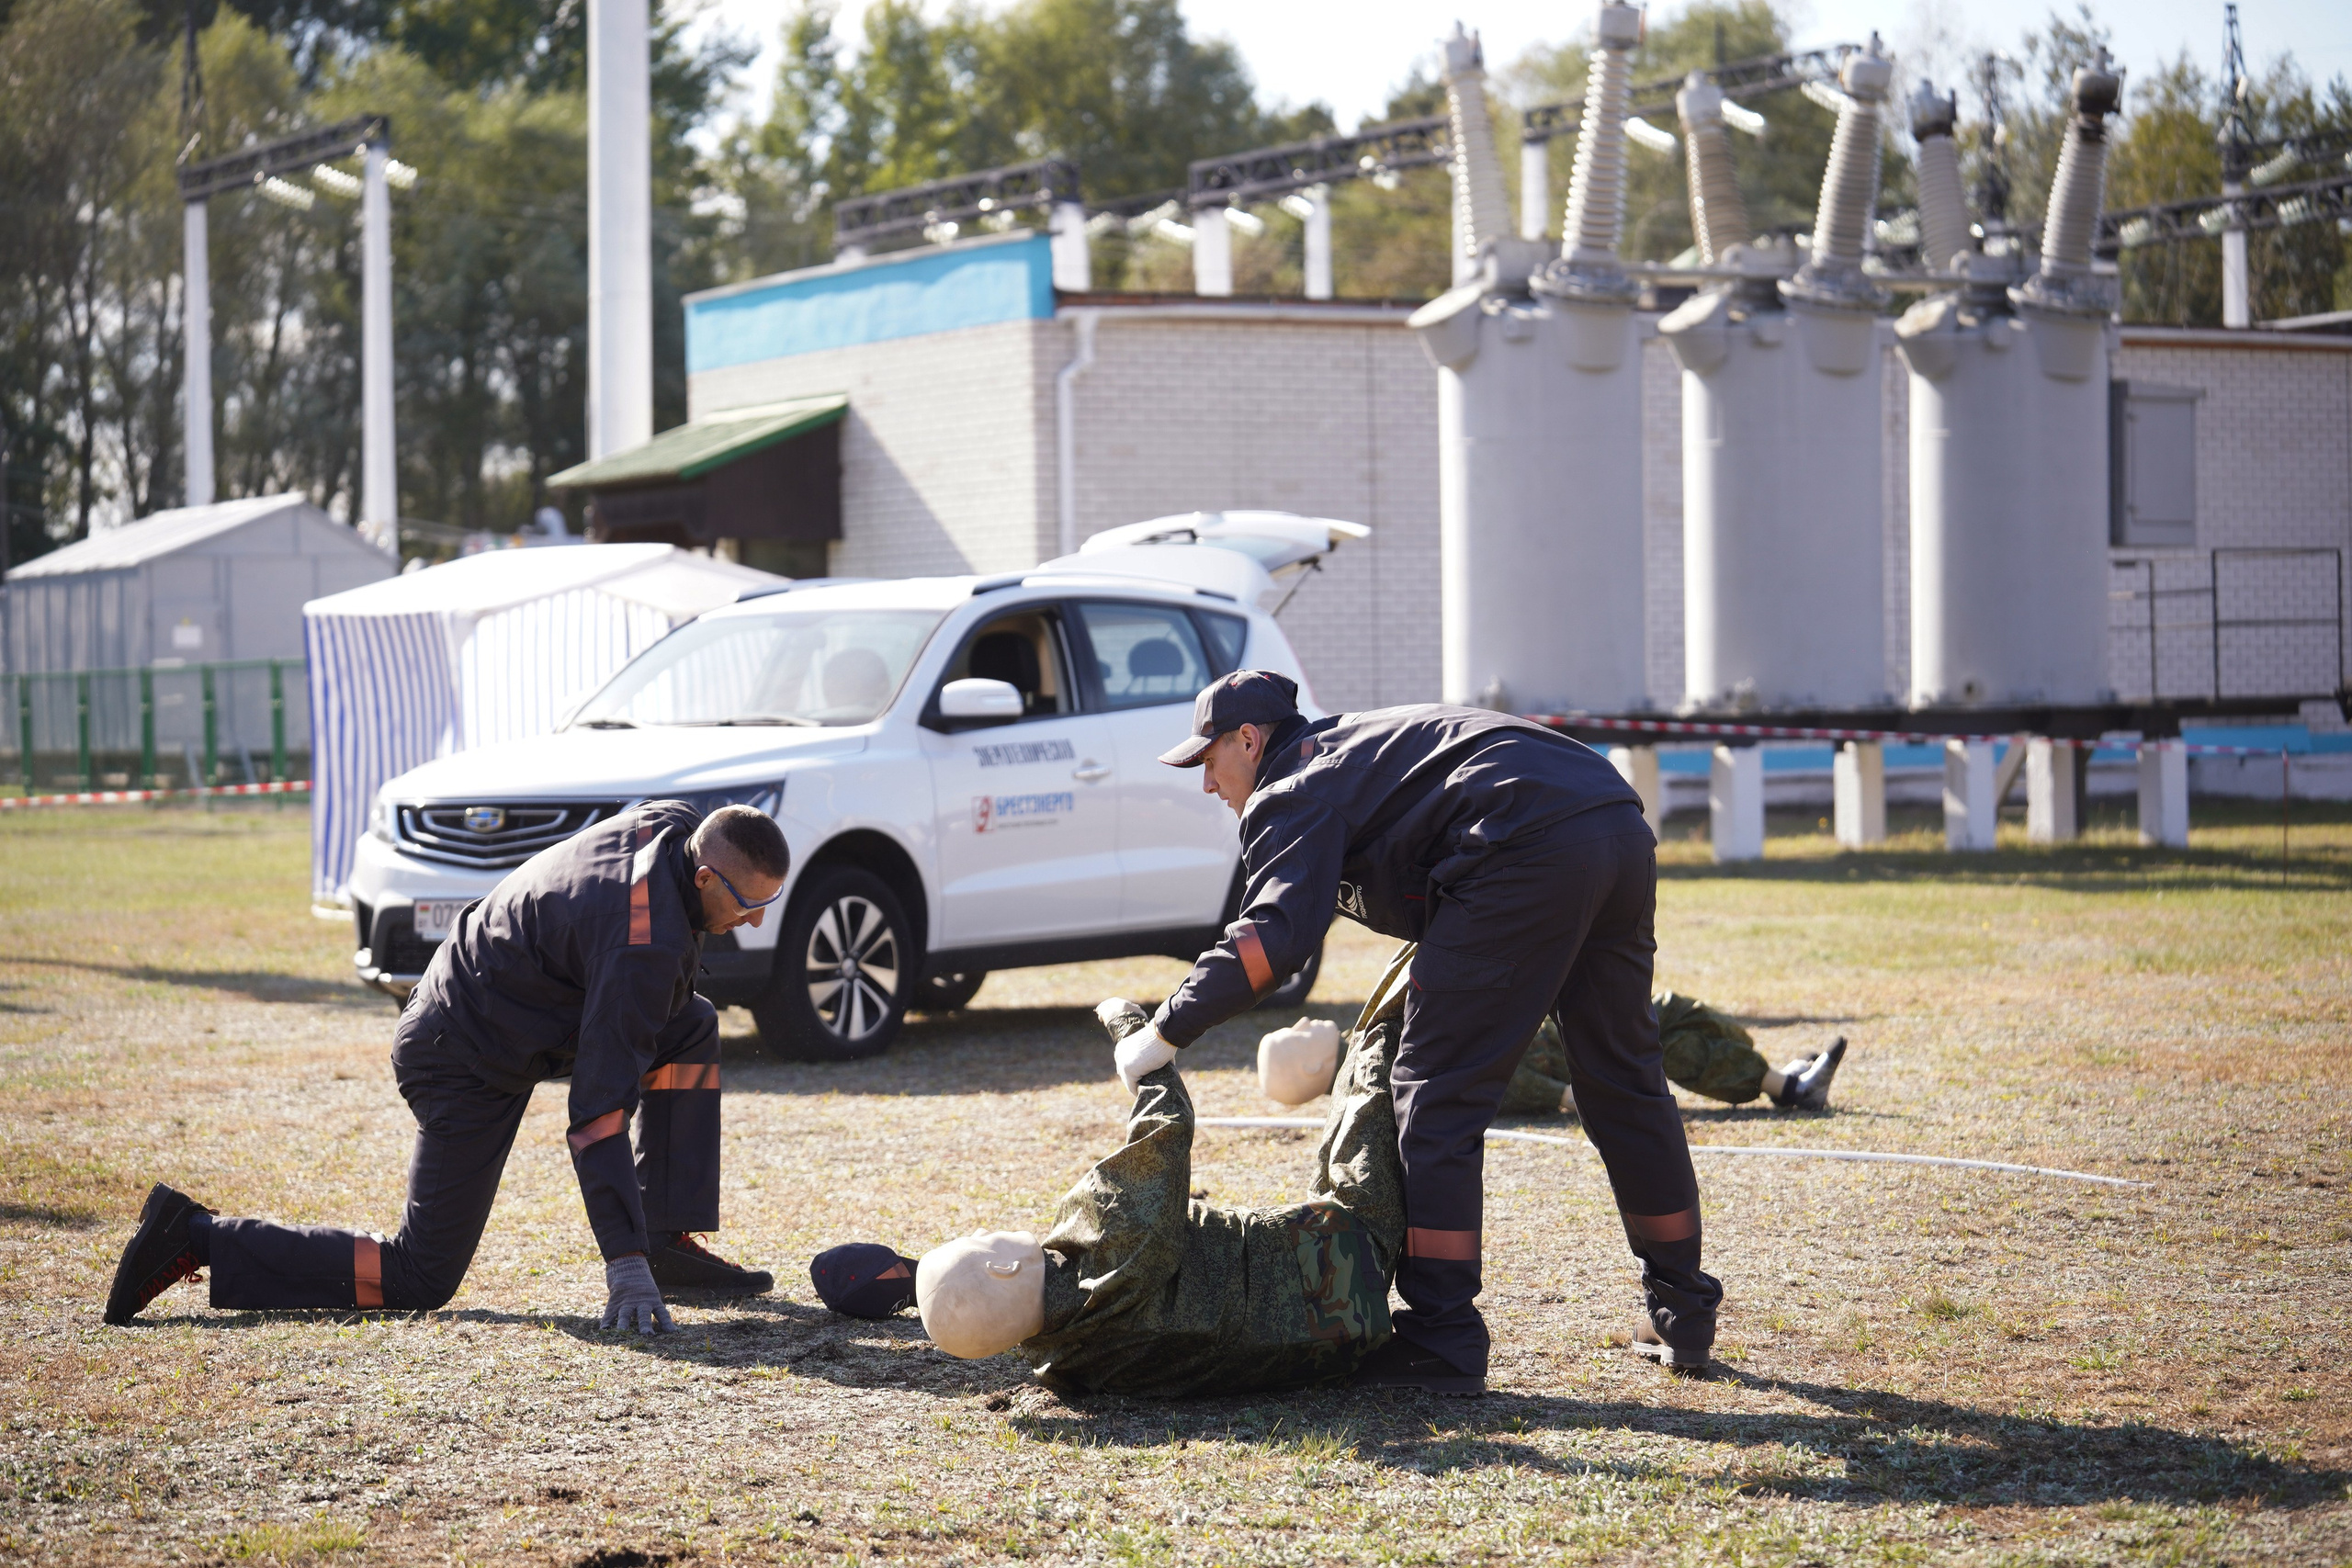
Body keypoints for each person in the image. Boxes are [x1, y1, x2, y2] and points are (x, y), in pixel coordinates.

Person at [1110, 671, 1721, 1393]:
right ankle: (1682, 1309)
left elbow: (1274, 938)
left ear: (1249, 740)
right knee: (1624, 1080)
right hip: (1611, 819)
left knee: (1434, 1096)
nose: (1208, 783)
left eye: (1209, 760)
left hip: (1520, 847)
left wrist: (1164, 1031)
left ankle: (1442, 1337)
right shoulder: (1349, 751)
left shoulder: (1292, 785)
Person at [104, 801, 786, 1332]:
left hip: (505, 1001)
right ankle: (196, 1238)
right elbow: (597, 1115)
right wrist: (624, 1265)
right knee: (419, 1275)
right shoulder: (643, 944)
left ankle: (665, 1232)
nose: (756, 921)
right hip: (460, 1049)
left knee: (689, 1024)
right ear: (703, 876)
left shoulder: (672, 827)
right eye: (749, 905)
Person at [814, 979, 1413, 1395]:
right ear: (1001, 1268)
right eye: (976, 1236)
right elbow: (1166, 1124)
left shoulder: (1061, 1360)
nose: (981, 1226)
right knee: (1378, 1042)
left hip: (1334, 1347)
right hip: (1347, 1257)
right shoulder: (1107, 1239)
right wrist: (1132, 1028)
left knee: (1344, 1138)